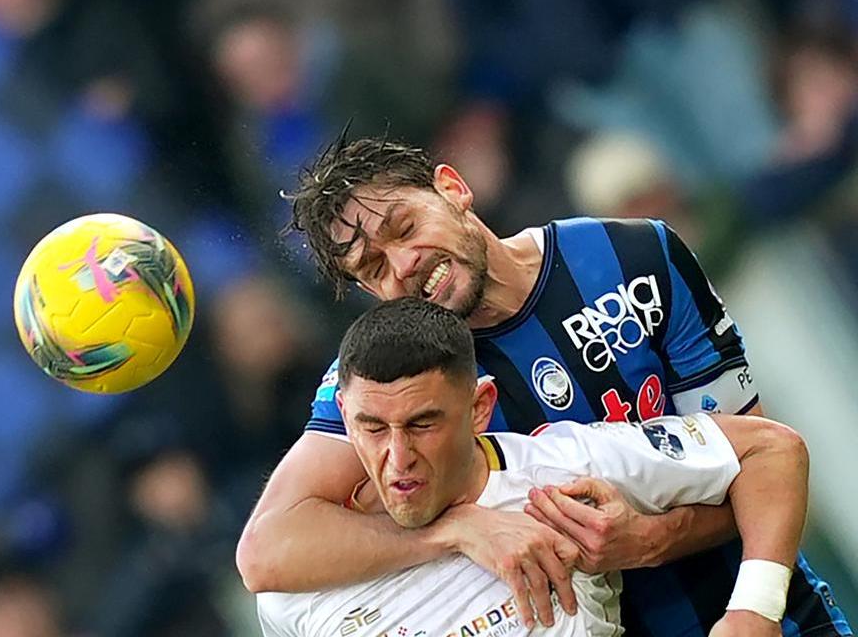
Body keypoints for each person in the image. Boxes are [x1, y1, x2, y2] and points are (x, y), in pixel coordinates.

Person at [237, 137, 851, 636]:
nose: (403, 264)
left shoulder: (633, 255)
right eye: (374, 268)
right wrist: (457, 529)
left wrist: (656, 542)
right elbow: (266, 550)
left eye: (404, 227)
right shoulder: (391, 381)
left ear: (452, 189)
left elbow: (764, 463)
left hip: (767, 618)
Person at [259, 298, 810, 636]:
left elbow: (771, 450)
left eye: (423, 424)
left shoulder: (564, 470)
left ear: (479, 408)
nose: (397, 458)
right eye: (372, 428)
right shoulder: (302, 578)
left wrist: (754, 609)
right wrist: (456, 531)